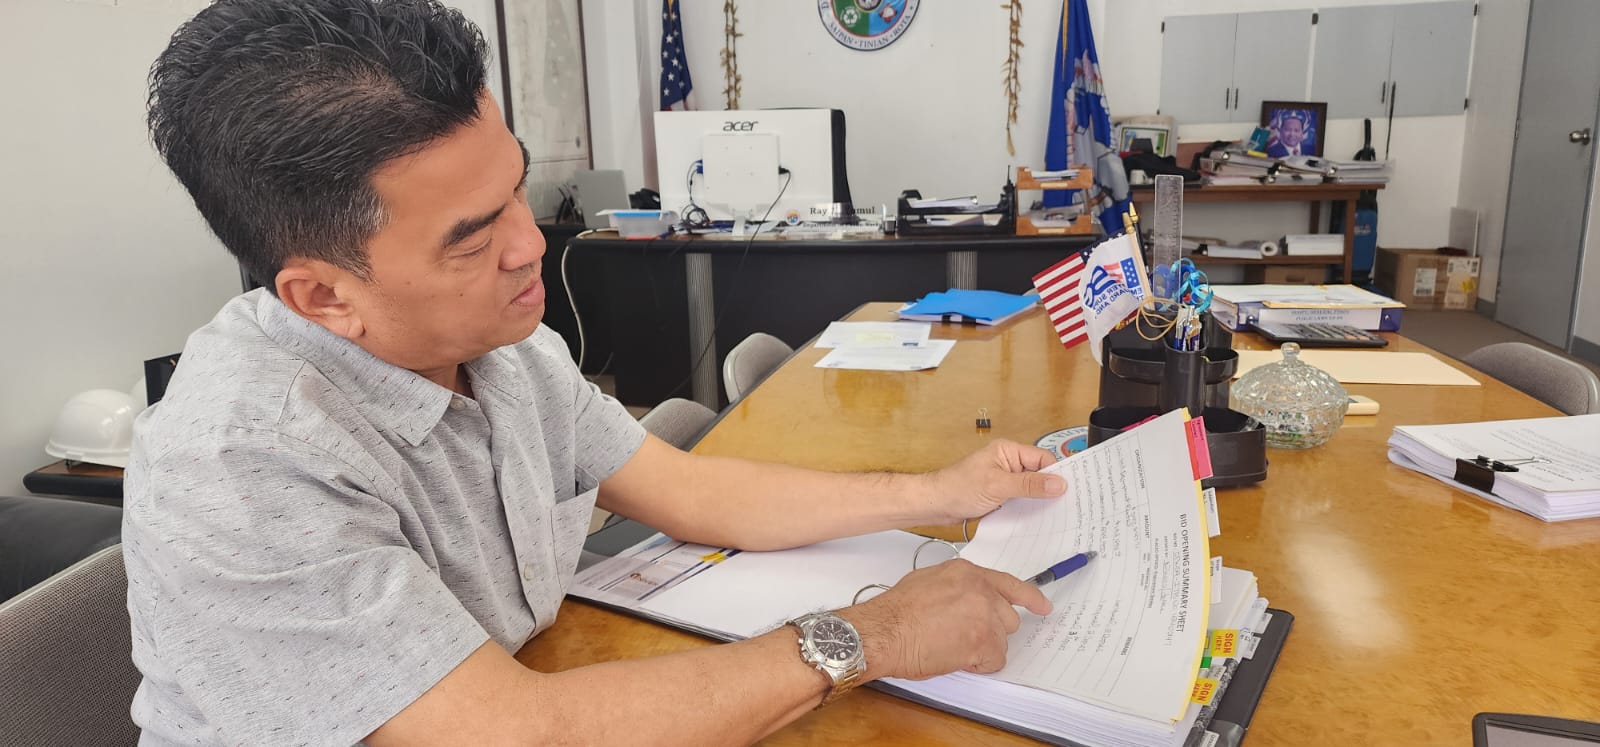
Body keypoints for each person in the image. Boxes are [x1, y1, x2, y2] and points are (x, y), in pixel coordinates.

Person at [123, 1, 1069, 744]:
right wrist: (878, 635)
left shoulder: (504, 348)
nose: (532, 245)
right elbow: (516, 733)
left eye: (518, 193)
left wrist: (938, 488)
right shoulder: (241, 462)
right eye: (472, 238)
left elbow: (696, 492)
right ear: (325, 297)